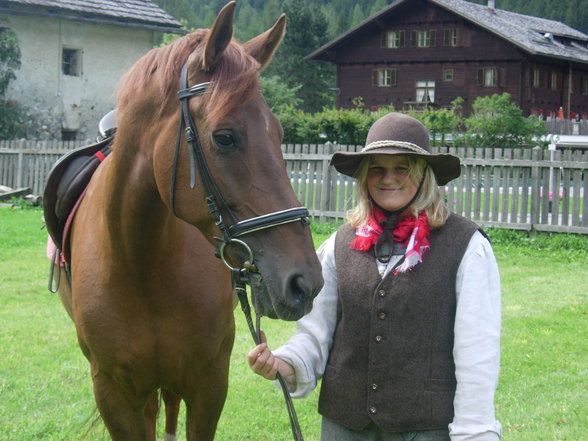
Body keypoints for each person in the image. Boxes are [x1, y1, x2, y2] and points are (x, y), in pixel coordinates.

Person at [248, 113, 502, 441]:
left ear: (423, 174)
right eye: (377, 168)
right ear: (365, 176)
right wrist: (284, 363)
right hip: (345, 426)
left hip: (426, 428)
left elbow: (477, 353)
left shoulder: (467, 246)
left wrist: (474, 432)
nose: (388, 179)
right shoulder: (339, 243)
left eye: (402, 168)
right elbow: (316, 335)